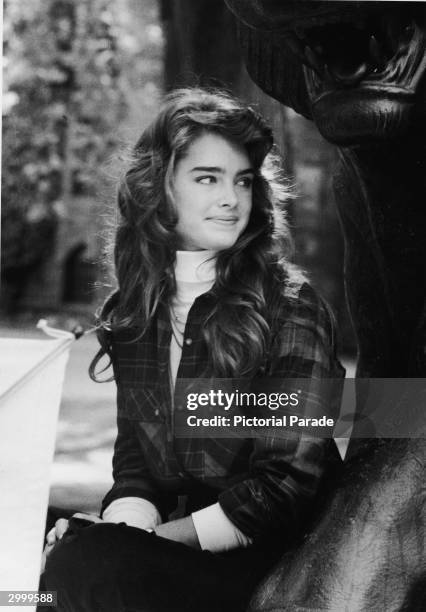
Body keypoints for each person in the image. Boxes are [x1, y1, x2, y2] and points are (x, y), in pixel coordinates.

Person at [40, 88, 345, 612]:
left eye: (242, 180)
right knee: (36, 552)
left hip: (272, 567)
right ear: (160, 189)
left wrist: (137, 545)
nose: (231, 198)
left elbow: (282, 489)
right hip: (167, 555)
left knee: (82, 566)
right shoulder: (138, 313)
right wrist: (117, 529)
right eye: (208, 178)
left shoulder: (291, 307)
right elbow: (136, 468)